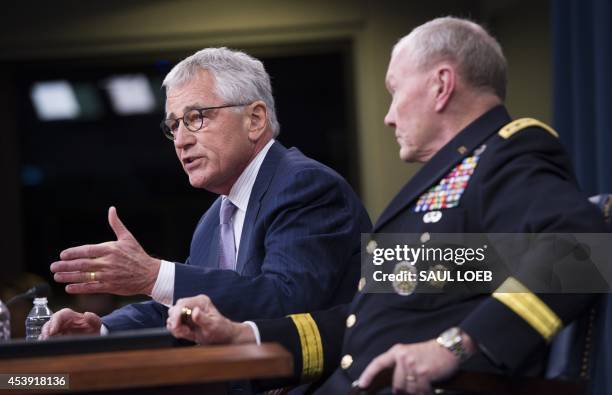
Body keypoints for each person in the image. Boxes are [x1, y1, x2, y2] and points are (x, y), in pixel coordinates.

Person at [165, 17, 607, 395]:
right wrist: (249, 335)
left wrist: (453, 346)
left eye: (395, 90)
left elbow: (579, 253)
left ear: (441, 85)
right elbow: (365, 319)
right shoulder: (443, 189)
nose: (388, 115)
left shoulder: (507, 153)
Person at [42, 48, 371, 337]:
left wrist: (154, 275)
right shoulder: (213, 219)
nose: (182, 140)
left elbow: (287, 301)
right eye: (174, 126)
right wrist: (103, 327)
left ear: (255, 119)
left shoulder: (305, 186)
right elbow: (185, 307)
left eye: (196, 118)